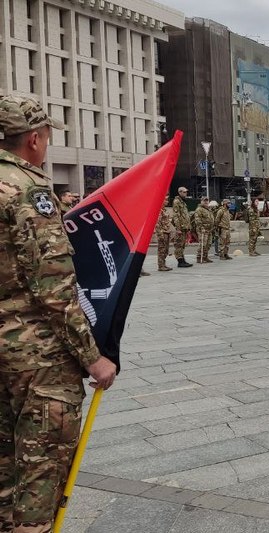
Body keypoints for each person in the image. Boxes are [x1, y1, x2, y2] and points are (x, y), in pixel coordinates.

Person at [0, 94, 117, 532]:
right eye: (46, 135)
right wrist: (92, 356)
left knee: (5, 467)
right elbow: (53, 288)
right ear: (34, 138)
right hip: (34, 358)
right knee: (40, 469)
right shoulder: (28, 190)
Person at [172, 186, 192, 267]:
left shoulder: (183, 202)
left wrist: (188, 227)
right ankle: (180, 261)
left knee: (182, 244)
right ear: (179, 192)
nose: (185, 193)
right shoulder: (177, 201)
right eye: (184, 192)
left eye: (186, 192)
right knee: (179, 244)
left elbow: (185, 215)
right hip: (180, 227)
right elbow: (176, 216)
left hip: (184, 227)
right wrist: (178, 228)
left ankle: (182, 260)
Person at [193, 197, 214, 264]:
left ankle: (205, 256)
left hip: (209, 230)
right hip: (203, 230)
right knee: (203, 244)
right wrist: (201, 228)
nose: (206, 202)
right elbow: (197, 219)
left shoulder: (209, 209)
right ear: (201, 201)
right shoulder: (199, 209)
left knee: (209, 244)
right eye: (204, 201)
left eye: (207, 201)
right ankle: (199, 257)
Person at [155, 194, 173, 271]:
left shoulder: (164, 210)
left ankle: (163, 264)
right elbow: (157, 223)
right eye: (165, 200)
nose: (167, 201)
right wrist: (160, 234)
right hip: (163, 233)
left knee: (165, 249)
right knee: (162, 249)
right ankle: (161, 265)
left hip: (167, 232)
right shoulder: (159, 210)